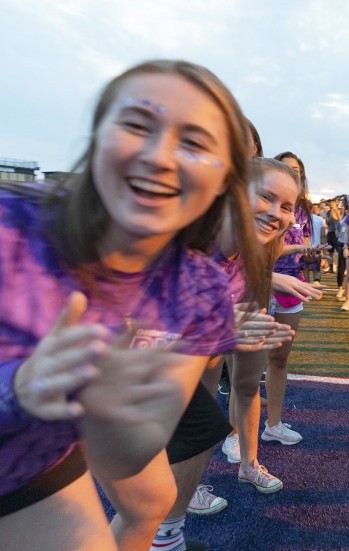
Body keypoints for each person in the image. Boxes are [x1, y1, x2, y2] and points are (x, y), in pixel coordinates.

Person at [0, 59, 264, 550]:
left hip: (30, 462)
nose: (160, 156)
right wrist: (19, 386)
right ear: (97, 137)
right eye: (137, 124)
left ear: (227, 181)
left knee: (151, 496)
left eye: (194, 142)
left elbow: (130, 456)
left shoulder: (199, 287)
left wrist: (116, 413)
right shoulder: (10, 224)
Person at [154, 157, 301, 551]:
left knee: (203, 427)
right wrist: (215, 327)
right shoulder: (191, 241)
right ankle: (160, 534)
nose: (276, 213)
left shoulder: (248, 253)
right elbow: (131, 331)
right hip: (93, 379)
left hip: (154, 369)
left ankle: (166, 536)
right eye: (266, 197)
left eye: (287, 206)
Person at [264, 151, 314, 445]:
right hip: (261, 283)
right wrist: (295, 250)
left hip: (292, 287)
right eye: (285, 168)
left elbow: (304, 244)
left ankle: (273, 424)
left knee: (280, 359)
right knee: (247, 364)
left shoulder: (303, 211)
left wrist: (308, 254)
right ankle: (235, 434)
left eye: (296, 170)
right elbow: (258, 248)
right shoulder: (263, 202)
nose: (291, 173)